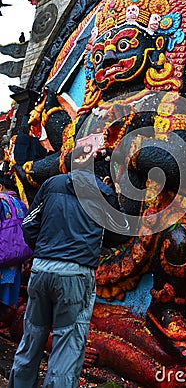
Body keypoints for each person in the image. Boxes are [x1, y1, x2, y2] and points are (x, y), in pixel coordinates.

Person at [8, 147, 129, 388]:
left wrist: (45, 247)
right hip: (76, 274)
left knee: (32, 337)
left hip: (42, 270)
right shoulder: (103, 192)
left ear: (69, 165)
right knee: (67, 346)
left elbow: (30, 224)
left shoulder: (52, 184)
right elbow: (121, 233)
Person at [0, 171, 28, 327]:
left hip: (2, 256)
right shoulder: (21, 204)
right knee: (9, 294)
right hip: (16, 257)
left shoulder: (1, 202)